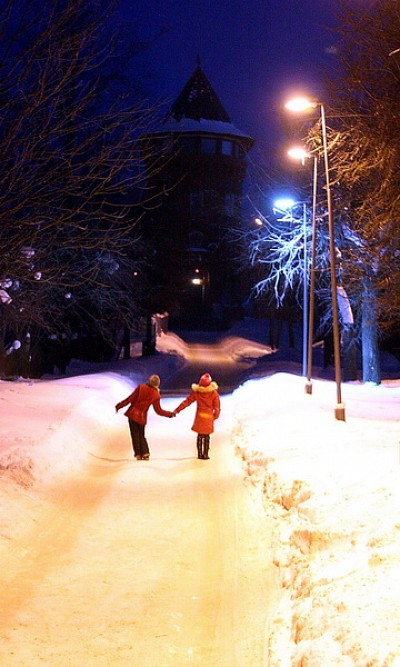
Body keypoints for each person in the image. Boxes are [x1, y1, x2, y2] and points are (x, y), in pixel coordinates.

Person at [115, 374, 175, 460]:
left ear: (149, 381)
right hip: (142, 418)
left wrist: (119, 406)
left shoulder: (141, 387)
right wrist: (170, 414)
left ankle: (138, 454)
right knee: (141, 435)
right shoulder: (156, 395)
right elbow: (159, 411)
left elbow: (130, 399)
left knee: (135, 435)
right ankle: (145, 453)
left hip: (132, 414)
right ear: (157, 384)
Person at [173, 373, 220, 460]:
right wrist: (215, 417)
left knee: (200, 435)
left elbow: (187, 401)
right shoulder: (214, 393)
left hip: (200, 416)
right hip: (209, 417)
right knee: (206, 436)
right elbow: (217, 408)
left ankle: (199, 453)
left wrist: (177, 410)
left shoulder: (197, 392)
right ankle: (205, 454)